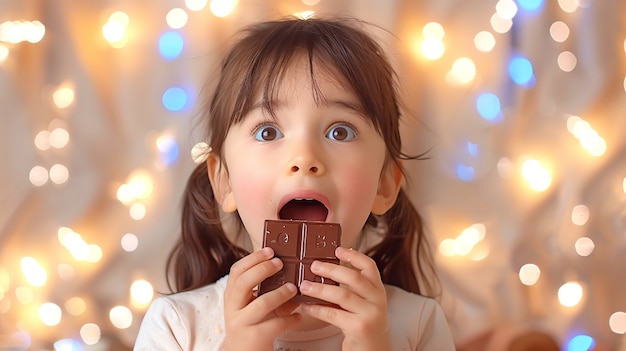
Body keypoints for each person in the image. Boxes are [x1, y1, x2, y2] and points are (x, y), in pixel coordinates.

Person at [134, 16, 455, 351]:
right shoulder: (176, 325)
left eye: (340, 131)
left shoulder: (418, 323)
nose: (304, 158)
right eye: (268, 131)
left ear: (384, 185)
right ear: (223, 181)